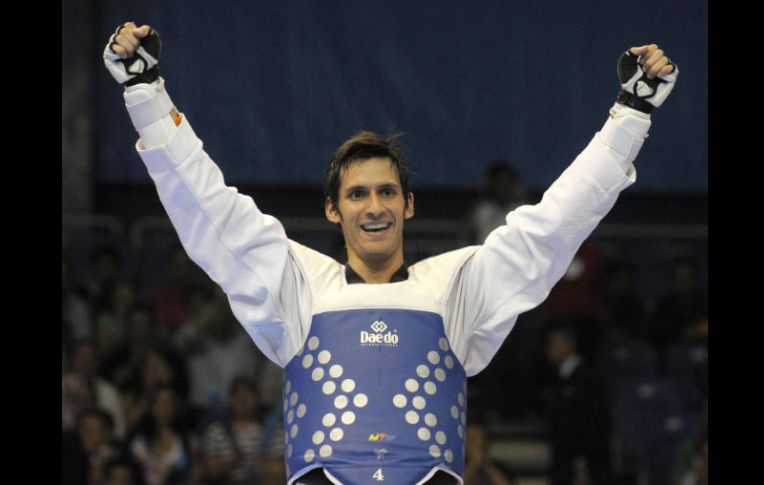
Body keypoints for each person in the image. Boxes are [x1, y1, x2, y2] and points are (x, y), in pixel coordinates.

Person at [103, 21, 678, 485]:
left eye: (385, 193)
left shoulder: (454, 286)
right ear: (333, 209)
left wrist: (631, 115)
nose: (372, 206)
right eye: (357, 194)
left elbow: (555, 225)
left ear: (408, 205)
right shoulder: (298, 283)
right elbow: (206, 205)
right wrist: (144, 94)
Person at [544, 326, 611, 485]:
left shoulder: (587, 378)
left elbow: (592, 423)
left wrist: (582, 463)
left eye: (554, 344)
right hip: (563, 462)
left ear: (568, 345)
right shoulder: (559, 378)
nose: (549, 349)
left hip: (582, 464)